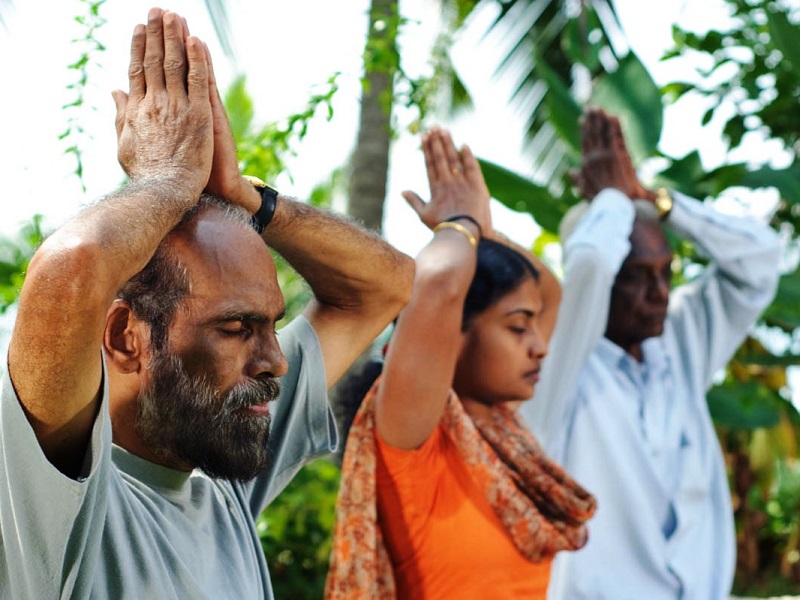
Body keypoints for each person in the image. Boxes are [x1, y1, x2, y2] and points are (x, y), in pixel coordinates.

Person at [0, 8, 413, 599]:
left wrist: (246, 198)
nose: (275, 359)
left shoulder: (221, 476)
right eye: (237, 327)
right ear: (124, 338)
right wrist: (167, 182)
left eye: (271, 323)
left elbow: (386, 285)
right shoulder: (51, 500)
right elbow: (75, 265)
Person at [520, 108, 781, 599]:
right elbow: (592, 261)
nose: (659, 292)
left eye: (666, 272)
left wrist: (658, 202)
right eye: (638, 276)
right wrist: (614, 199)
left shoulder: (682, 344)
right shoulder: (555, 369)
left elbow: (764, 258)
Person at [325, 127, 596, 599]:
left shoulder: (502, 437)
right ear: (453, 334)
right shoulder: (415, 438)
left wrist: (485, 234)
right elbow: (438, 283)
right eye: (517, 326)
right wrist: (460, 226)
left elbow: (549, 292)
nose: (540, 346)